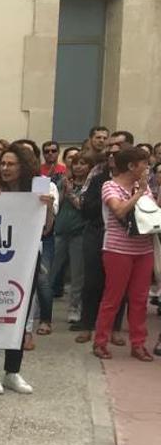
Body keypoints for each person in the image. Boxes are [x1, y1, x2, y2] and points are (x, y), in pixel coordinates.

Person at [0, 143, 54, 395]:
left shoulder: (40, 187)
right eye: (2, 164)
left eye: (11, 164)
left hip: (26, 260)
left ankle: (12, 371)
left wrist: (48, 207)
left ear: (23, 166)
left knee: (19, 313)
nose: (5, 168)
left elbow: (46, 228)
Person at [92, 146, 155, 362]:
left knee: (139, 299)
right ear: (130, 166)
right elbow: (118, 210)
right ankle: (100, 341)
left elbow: (151, 213)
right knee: (113, 298)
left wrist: (144, 192)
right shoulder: (110, 186)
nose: (147, 168)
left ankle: (138, 344)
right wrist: (138, 193)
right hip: (118, 250)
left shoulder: (143, 187)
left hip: (144, 249)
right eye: (143, 164)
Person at [77, 132, 131, 345]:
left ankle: (114, 328)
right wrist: (108, 201)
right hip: (96, 232)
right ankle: (87, 325)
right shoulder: (98, 178)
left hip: (122, 236)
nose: (110, 157)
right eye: (108, 154)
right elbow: (86, 208)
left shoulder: (132, 181)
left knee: (118, 285)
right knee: (91, 282)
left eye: (115, 154)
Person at [53, 149, 91, 325]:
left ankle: (74, 308)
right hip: (60, 232)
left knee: (77, 275)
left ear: (89, 166)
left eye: (82, 163)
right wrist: (63, 190)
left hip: (79, 234)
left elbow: (83, 207)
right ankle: (38, 306)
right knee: (49, 271)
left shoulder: (90, 185)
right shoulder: (63, 181)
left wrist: (71, 194)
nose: (78, 167)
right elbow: (56, 204)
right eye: (75, 163)